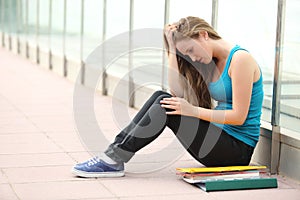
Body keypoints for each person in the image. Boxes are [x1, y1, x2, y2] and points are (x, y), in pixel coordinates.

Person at [71, 16, 264, 178]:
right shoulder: (210, 61)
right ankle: (112, 156)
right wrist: (172, 49)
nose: (193, 58)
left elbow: (239, 116)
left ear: (203, 35)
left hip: (236, 150)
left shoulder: (240, 60)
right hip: (217, 138)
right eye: (187, 55)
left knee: (167, 107)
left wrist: (192, 111)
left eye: (191, 50)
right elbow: (176, 93)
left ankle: (113, 159)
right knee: (161, 96)